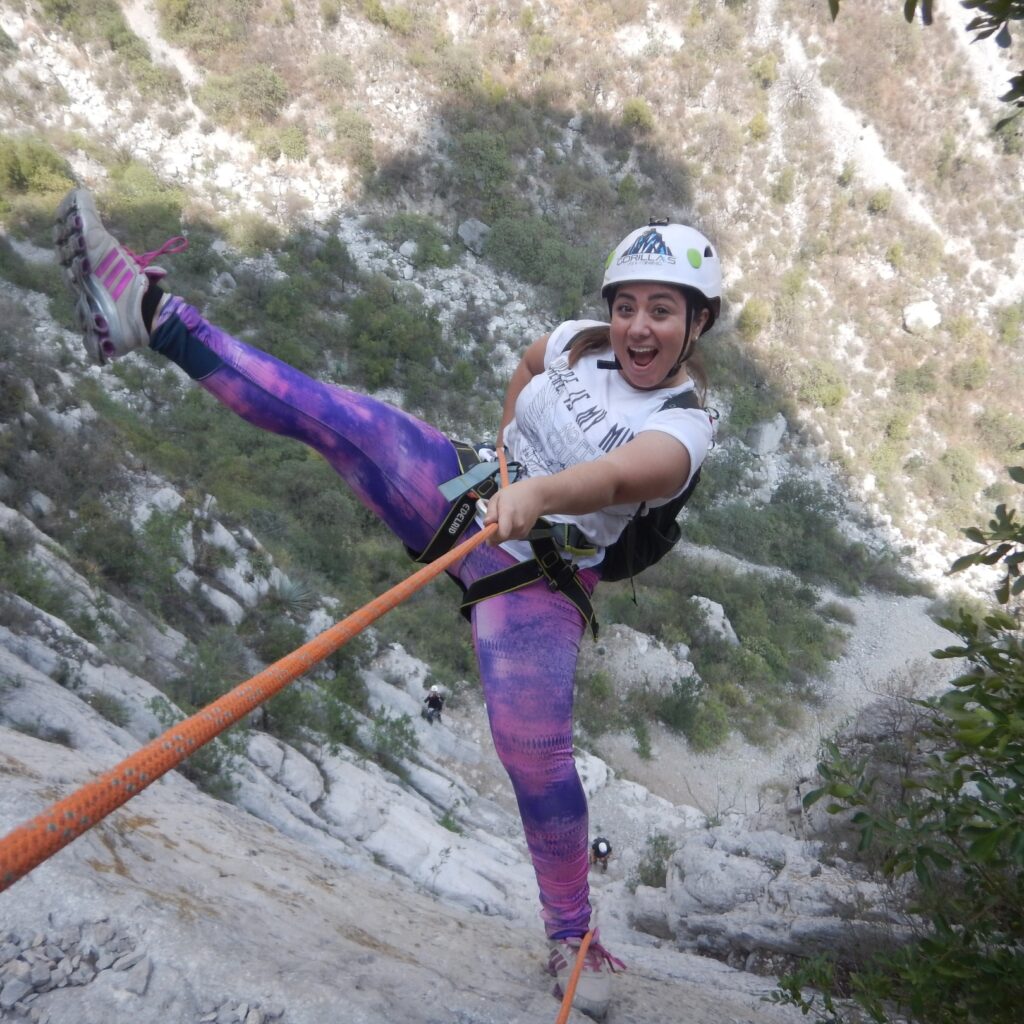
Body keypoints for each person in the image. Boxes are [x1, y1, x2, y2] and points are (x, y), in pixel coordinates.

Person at [55, 191, 719, 1021]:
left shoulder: (684, 427)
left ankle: (572, 936)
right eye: (627, 307)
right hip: (473, 492)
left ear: (697, 324)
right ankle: (150, 314)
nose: (637, 327)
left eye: (662, 310)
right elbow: (523, 368)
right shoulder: (576, 346)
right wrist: (509, 462)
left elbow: (626, 477)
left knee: (533, 756)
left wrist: (541, 494)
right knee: (334, 418)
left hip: (542, 577)